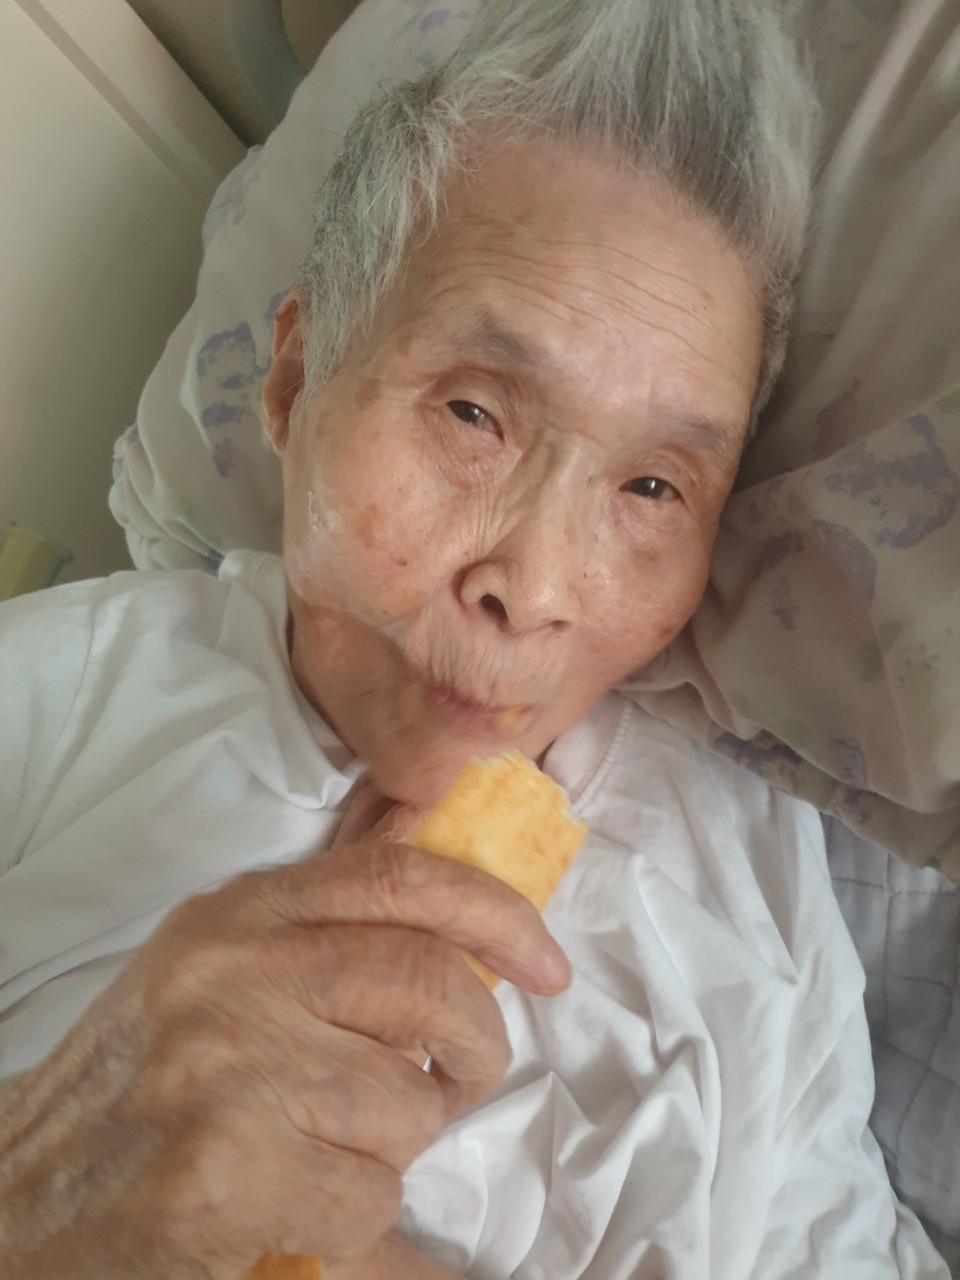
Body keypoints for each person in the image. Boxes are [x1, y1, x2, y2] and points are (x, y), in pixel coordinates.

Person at [0, 1, 948, 1276]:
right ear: (294, 382)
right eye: (471, 414)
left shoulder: (758, 877)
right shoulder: (56, 698)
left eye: (653, 487)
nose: (536, 586)